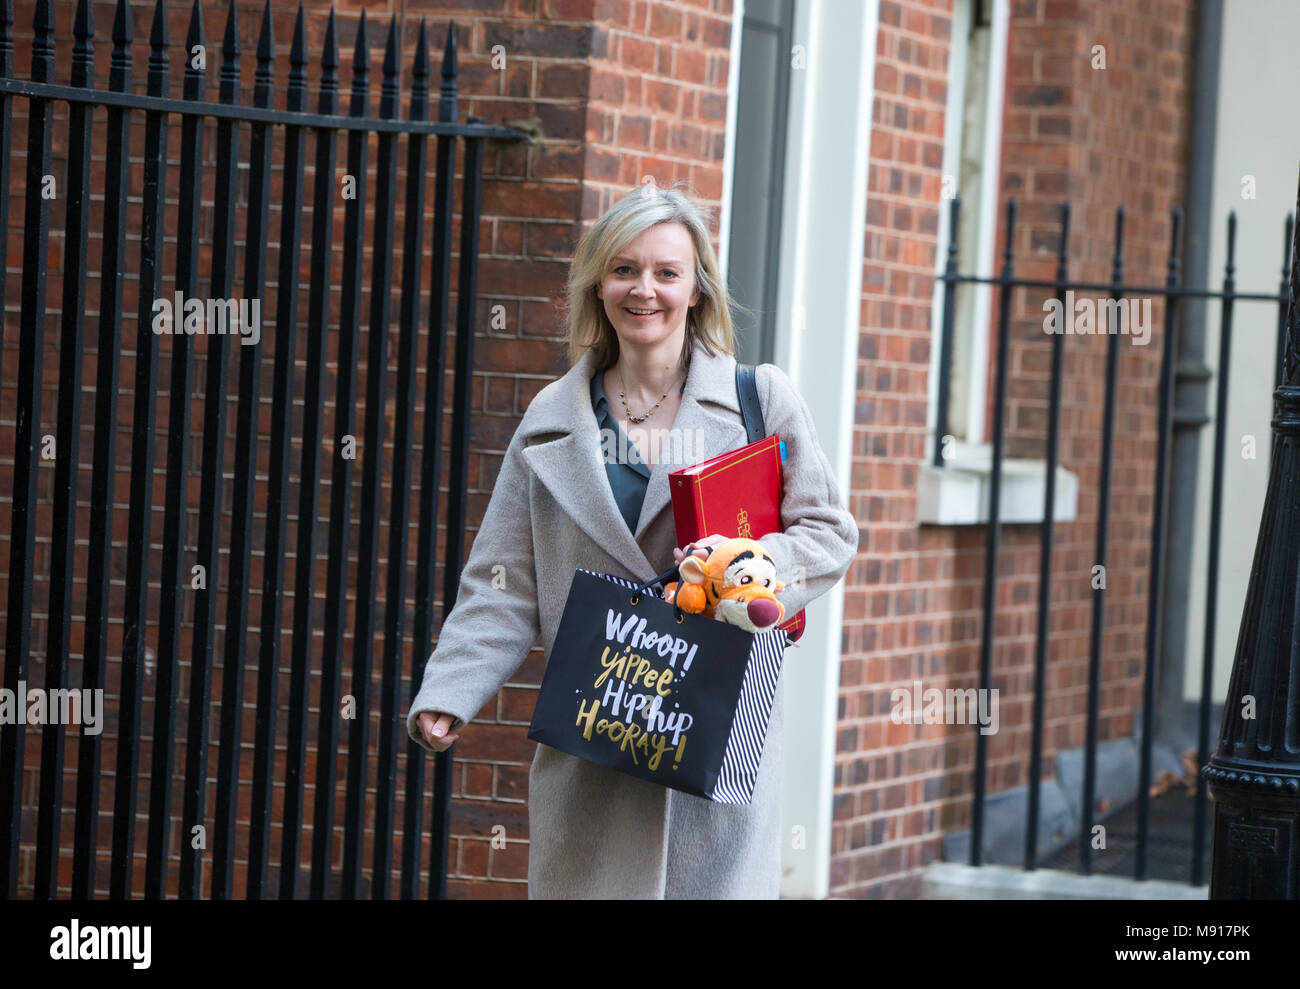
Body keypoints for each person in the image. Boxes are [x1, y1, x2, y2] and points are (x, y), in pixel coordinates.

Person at [407, 182, 858, 898]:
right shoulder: (550, 419)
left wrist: (756, 564)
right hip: (596, 752)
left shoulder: (759, 400)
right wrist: (452, 690)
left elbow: (829, 530)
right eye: (623, 269)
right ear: (597, 284)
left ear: (698, 290)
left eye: (665, 272)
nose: (643, 289)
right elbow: (502, 581)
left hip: (712, 754)